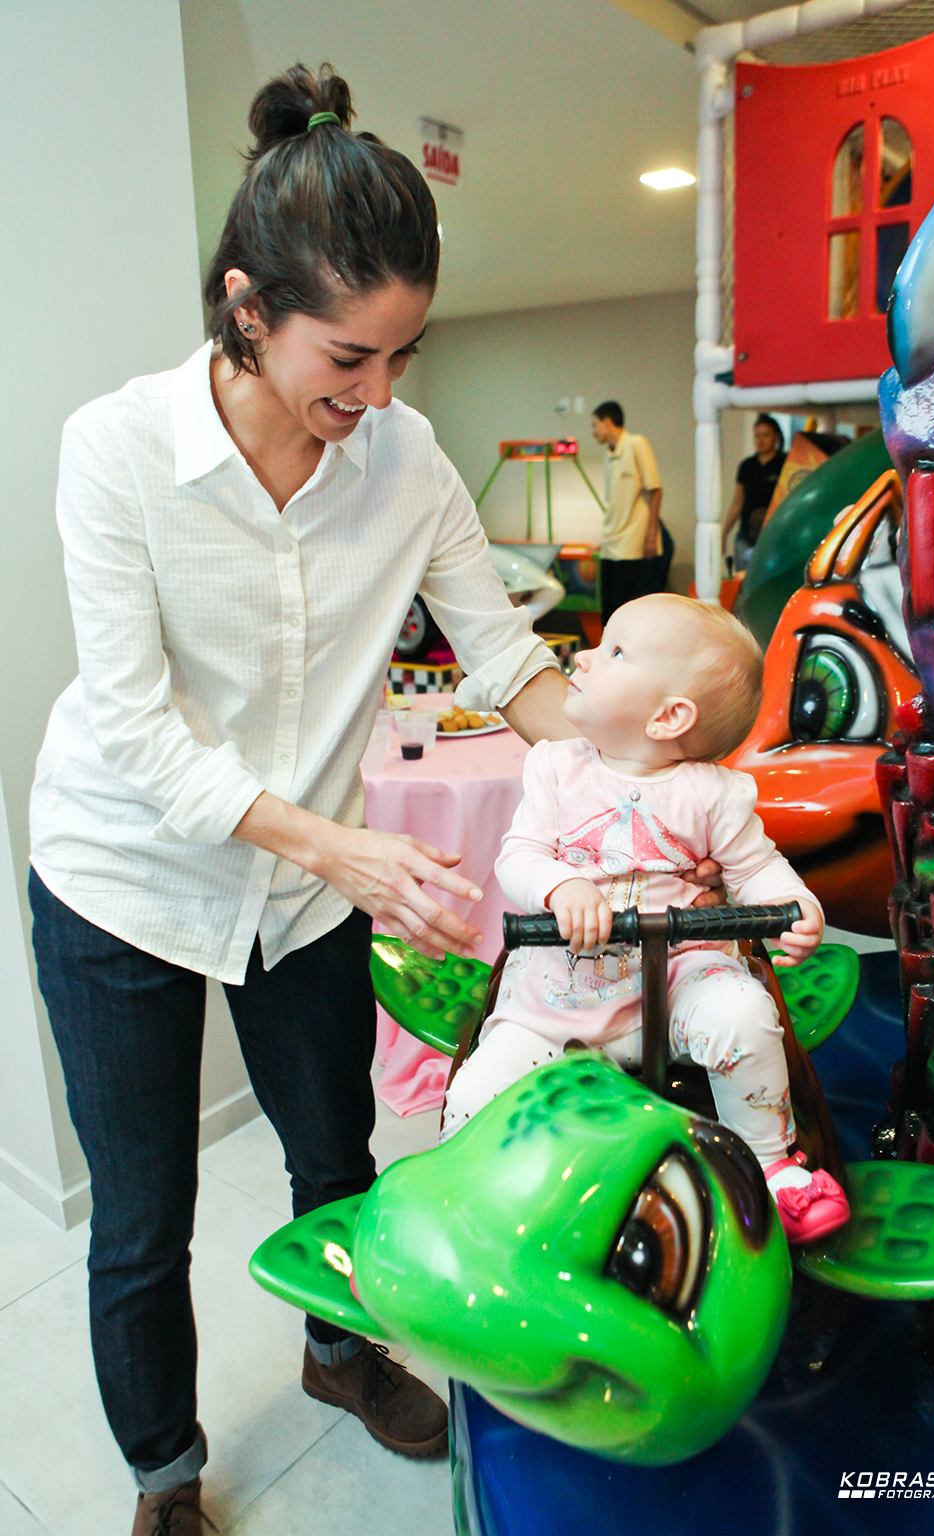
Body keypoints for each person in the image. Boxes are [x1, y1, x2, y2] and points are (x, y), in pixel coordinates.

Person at [27, 64, 578, 1536]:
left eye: (404, 357)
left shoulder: (402, 458)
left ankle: (341, 1352)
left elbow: (510, 656)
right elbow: (137, 730)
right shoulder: (120, 450)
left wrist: (650, 744)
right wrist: (340, 840)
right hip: (122, 878)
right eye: (350, 358)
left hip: (308, 886)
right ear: (246, 307)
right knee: (141, 1223)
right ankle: (163, 1475)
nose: (381, 398)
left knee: (336, 1154)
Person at [441, 595, 850, 1248]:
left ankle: (771, 1166)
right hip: (559, 997)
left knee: (745, 1014)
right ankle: (464, 1200)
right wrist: (560, 885)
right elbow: (517, 856)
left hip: (677, 982)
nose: (584, 655)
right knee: (477, 1090)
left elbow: (755, 867)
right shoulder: (555, 767)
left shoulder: (713, 792)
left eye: (616, 651)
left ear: (668, 716)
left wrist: (793, 906)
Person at [591, 401, 667, 623]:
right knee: (608, 614)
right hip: (611, 545)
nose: (593, 433)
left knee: (628, 614)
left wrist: (651, 535)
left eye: (595, 425)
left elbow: (655, 489)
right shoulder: (608, 454)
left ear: (607, 422)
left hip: (632, 546)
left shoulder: (636, 444)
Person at [722, 413, 786, 570]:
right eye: (757, 436)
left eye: (766, 435)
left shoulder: (784, 463)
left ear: (776, 437)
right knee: (743, 580)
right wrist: (724, 534)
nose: (760, 440)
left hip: (773, 535)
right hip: (746, 535)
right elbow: (737, 502)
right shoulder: (747, 466)